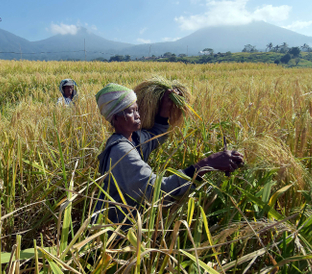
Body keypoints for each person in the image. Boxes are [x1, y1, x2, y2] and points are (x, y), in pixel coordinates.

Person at [93, 83, 244, 226]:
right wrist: (206, 164)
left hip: (127, 224)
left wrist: (165, 109)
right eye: (130, 111)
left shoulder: (134, 139)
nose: (137, 115)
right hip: (113, 232)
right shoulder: (121, 151)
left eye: (137, 109)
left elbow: (154, 135)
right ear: (115, 118)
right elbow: (158, 191)